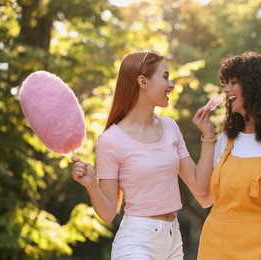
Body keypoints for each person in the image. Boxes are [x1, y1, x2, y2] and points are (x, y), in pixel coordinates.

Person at [71, 49, 215, 260]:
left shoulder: (170, 127)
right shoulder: (110, 140)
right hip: (137, 241)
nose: (171, 84)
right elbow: (109, 213)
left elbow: (200, 187)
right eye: (165, 77)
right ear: (143, 81)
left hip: (172, 240)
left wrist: (208, 136)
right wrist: (92, 184)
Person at [195, 51, 261, 260]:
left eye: (233, 82)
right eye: (226, 83)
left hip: (257, 247)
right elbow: (203, 193)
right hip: (214, 243)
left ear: (256, 88)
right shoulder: (225, 141)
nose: (226, 90)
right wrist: (207, 136)